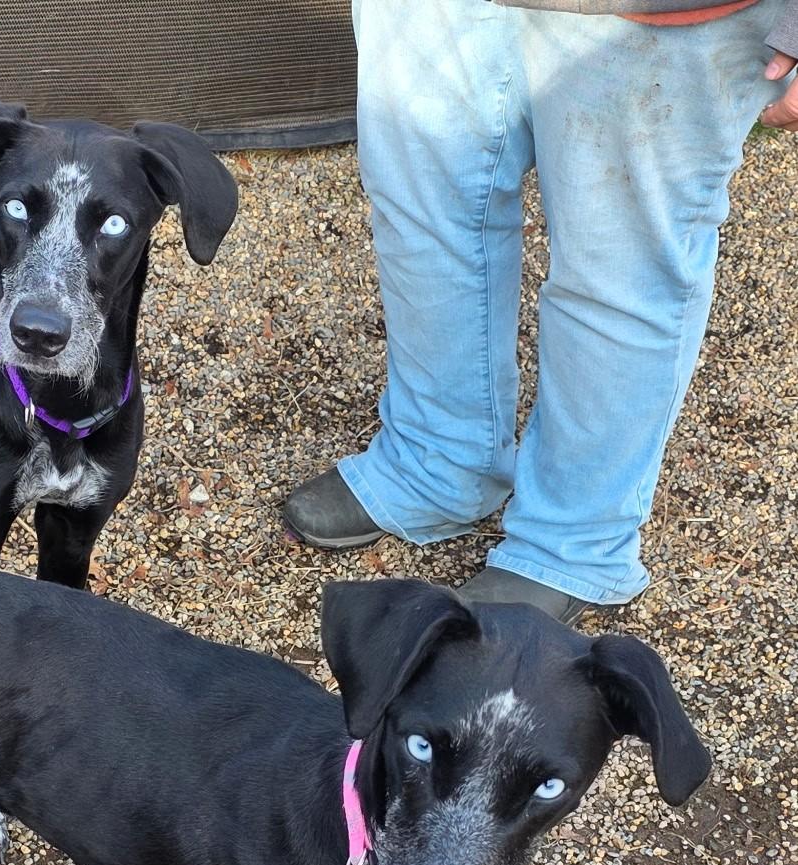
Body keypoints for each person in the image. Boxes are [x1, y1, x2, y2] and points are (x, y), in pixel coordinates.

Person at [284, 0, 798, 624]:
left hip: (665, 13)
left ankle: (574, 541)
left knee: (620, 267)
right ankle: (436, 463)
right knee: (422, 222)